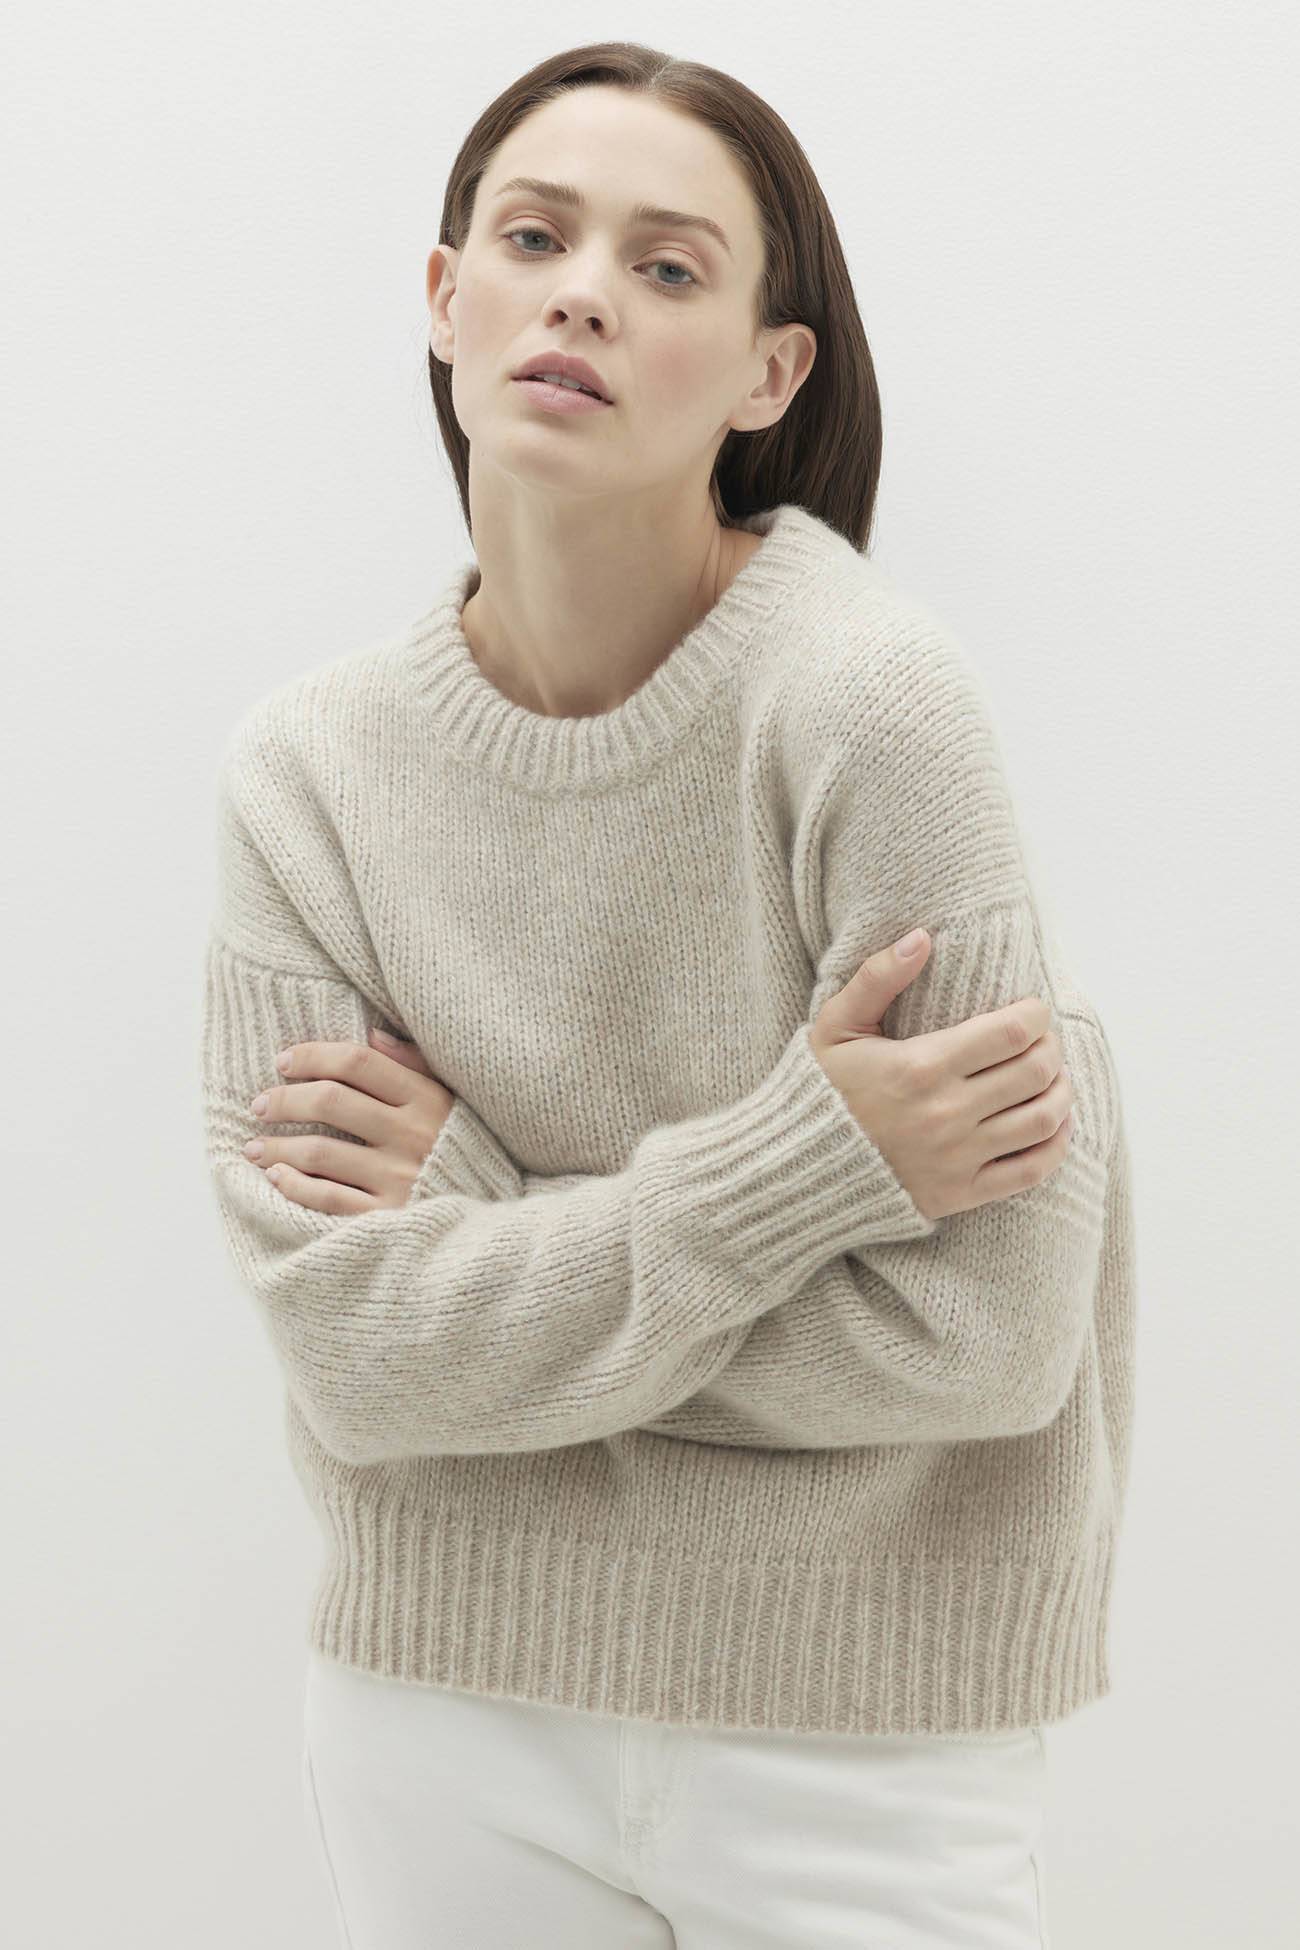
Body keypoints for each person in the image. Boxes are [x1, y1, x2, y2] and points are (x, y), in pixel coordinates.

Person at [201, 38, 1136, 1950]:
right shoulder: (311, 772)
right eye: (533, 237)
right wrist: (809, 1169)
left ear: (770, 372)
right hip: (443, 1706)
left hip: (864, 1734)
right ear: (445, 296)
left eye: (668, 265)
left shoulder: (870, 706)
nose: (582, 295)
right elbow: (357, 1356)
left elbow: (991, 1337)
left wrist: (484, 1221)